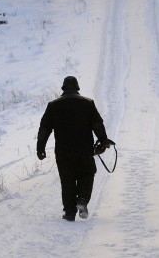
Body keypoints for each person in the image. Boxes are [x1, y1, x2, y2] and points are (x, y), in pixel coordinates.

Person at [37, 76, 113, 221]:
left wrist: (40, 147)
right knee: (87, 174)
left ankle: (70, 212)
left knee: (67, 180)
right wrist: (103, 140)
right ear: (77, 88)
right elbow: (97, 124)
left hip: (63, 152)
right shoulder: (87, 104)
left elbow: (44, 128)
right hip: (84, 150)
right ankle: (82, 200)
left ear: (63, 88)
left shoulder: (53, 106)